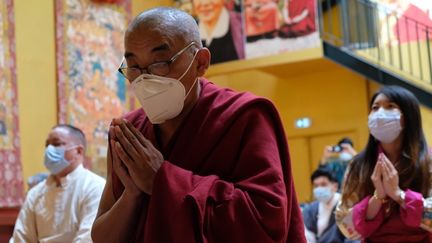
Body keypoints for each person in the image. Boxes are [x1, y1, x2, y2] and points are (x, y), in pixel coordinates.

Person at [91, 7, 305, 243]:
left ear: (201, 62)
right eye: (134, 68)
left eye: (160, 63)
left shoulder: (244, 116)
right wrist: (132, 194)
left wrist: (162, 181)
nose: (145, 79)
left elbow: (265, 222)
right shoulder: (130, 132)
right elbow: (103, 238)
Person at [335, 85, 432, 242]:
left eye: (390, 106)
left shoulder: (428, 161)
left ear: (408, 116)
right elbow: (345, 224)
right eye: (375, 107)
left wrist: (398, 194)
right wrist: (378, 197)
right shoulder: (359, 164)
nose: (380, 114)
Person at [11, 124, 106, 243]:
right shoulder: (35, 193)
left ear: (78, 151)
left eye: (56, 144)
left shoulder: (96, 187)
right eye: (47, 145)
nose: (49, 150)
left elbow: (88, 238)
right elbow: (21, 238)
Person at [303, 169, 355, 243]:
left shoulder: (346, 205)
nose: (319, 189)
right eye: (316, 186)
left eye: (323, 184)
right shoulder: (311, 209)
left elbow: (352, 237)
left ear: (335, 186)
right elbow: (308, 237)